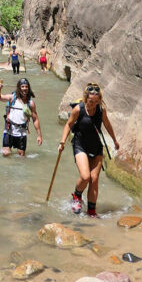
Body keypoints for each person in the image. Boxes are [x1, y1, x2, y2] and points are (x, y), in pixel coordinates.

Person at [58, 82, 119, 217]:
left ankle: (91, 211)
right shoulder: (78, 110)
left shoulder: (101, 110)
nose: (93, 104)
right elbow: (69, 125)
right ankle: (77, 196)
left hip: (96, 146)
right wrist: (62, 141)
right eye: (91, 101)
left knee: (94, 178)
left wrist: (114, 140)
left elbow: (107, 125)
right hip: (80, 145)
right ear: (86, 99)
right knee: (85, 176)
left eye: (96, 102)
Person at [0, 78, 42, 157]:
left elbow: (35, 119)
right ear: (19, 88)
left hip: (21, 132)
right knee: (6, 154)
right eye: (22, 86)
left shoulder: (31, 103)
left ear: (28, 88)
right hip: (9, 130)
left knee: (21, 156)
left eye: (26, 87)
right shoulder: (12, 98)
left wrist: (39, 135)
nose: (24, 88)